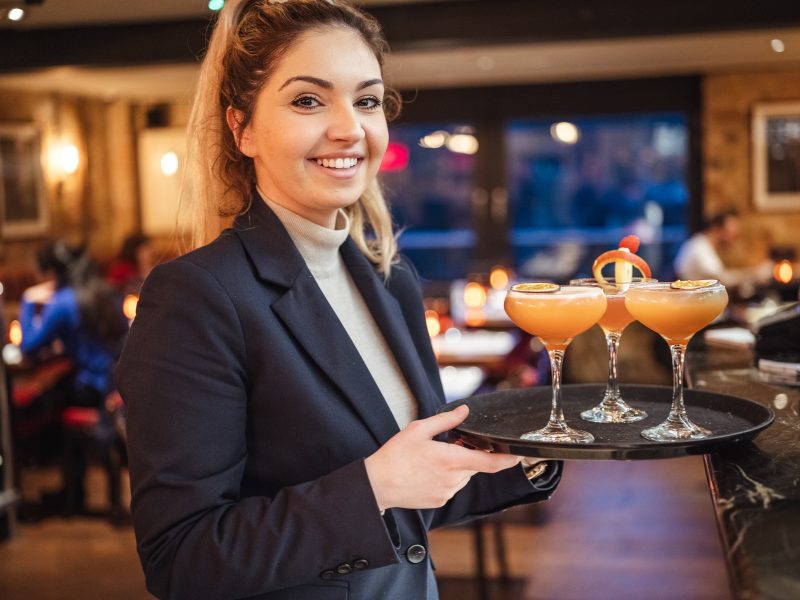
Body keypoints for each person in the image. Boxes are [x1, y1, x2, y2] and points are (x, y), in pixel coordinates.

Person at [115, 1, 561, 599]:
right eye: (308, 100)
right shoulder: (199, 296)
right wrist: (373, 484)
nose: (350, 127)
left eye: (367, 100)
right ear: (241, 128)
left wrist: (538, 448)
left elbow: (414, 497)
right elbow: (183, 559)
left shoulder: (388, 278)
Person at [20, 240, 128, 516]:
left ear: (52, 273)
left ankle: (61, 491)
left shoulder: (64, 302)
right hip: (114, 384)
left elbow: (29, 345)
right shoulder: (104, 291)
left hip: (88, 388)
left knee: (31, 408)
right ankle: (72, 489)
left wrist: (28, 301)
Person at [674, 209, 772, 288]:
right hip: (693, 305)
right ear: (716, 228)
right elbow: (721, 279)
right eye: (731, 232)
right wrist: (755, 273)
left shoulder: (704, 245)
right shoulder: (699, 247)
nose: (734, 238)